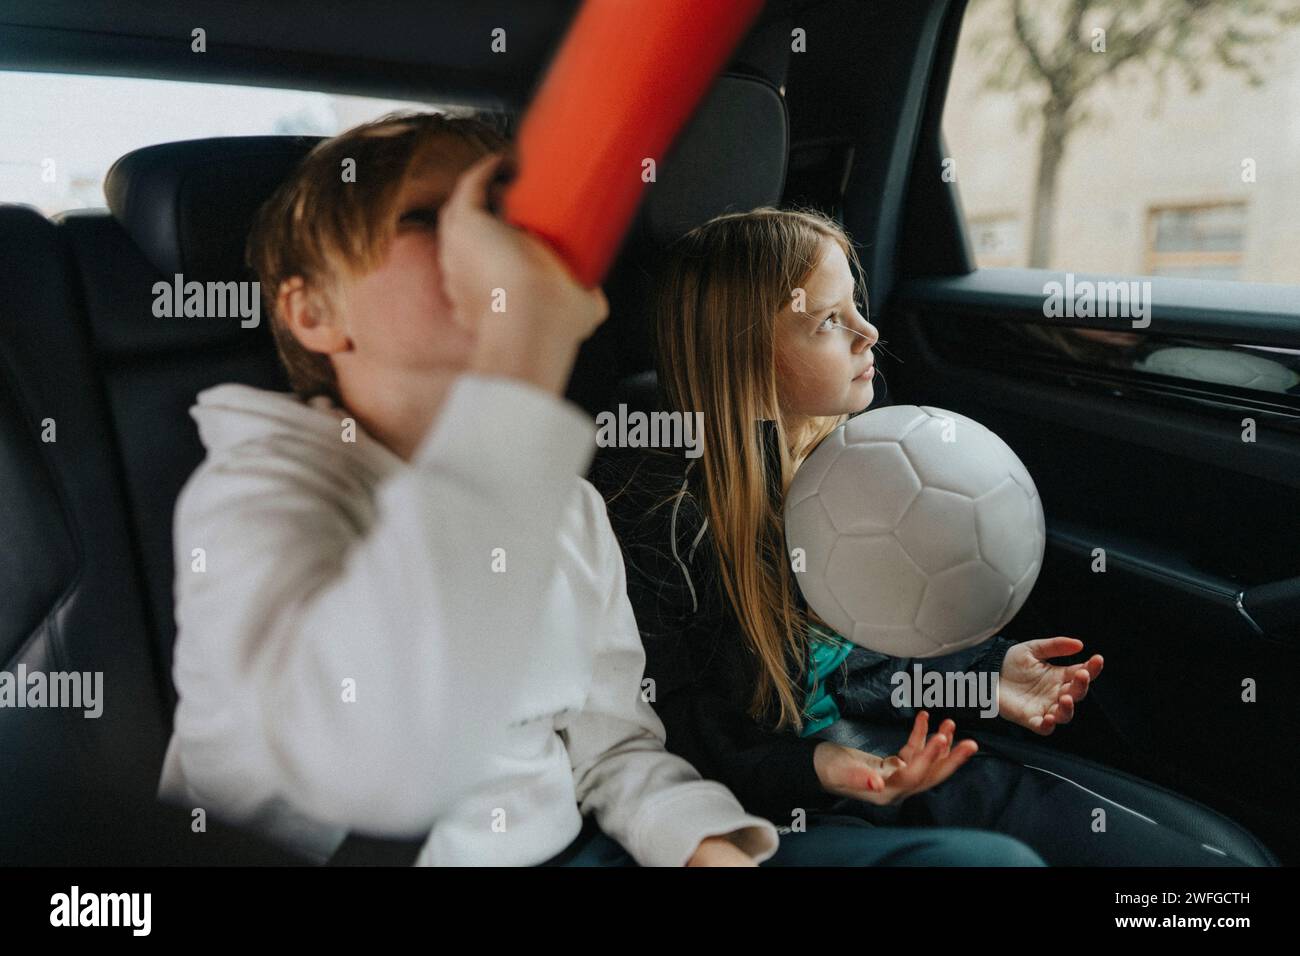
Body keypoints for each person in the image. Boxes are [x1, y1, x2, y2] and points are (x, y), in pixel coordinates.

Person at [157, 111, 1041, 868]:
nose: (492, 246)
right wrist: (515, 390)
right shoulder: (259, 498)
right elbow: (383, 762)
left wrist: (699, 840)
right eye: (433, 219)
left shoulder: (562, 503)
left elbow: (612, 742)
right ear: (313, 313)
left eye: (503, 216)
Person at [593, 206, 1242, 865]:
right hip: (776, 794)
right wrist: (817, 765)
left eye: (856, 306)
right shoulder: (668, 520)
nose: (869, 332)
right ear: (745, 361)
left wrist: (983, 678)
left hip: (883, 753)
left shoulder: (859, 463)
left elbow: (861, 667)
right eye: (829, 322)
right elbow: (673, 737)